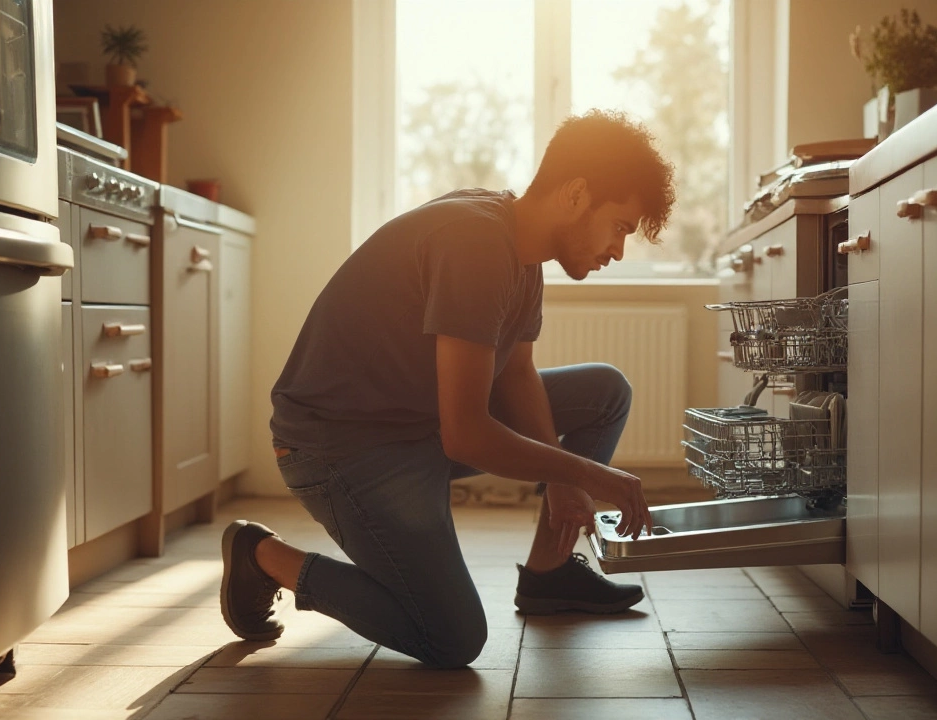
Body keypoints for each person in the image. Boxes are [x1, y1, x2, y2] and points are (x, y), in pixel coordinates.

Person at [219, 109, 677, 669]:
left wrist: (562, 480)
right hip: (340, 448)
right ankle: (261, 555)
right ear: (578, 193)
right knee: (452, 638)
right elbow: (466, 435)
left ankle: (549, 575)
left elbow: (516, 375)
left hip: (413, 426)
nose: (618, 250)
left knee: (604, 392)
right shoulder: (476, 243)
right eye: (621, 227)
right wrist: (583, 473)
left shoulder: (522, 250)